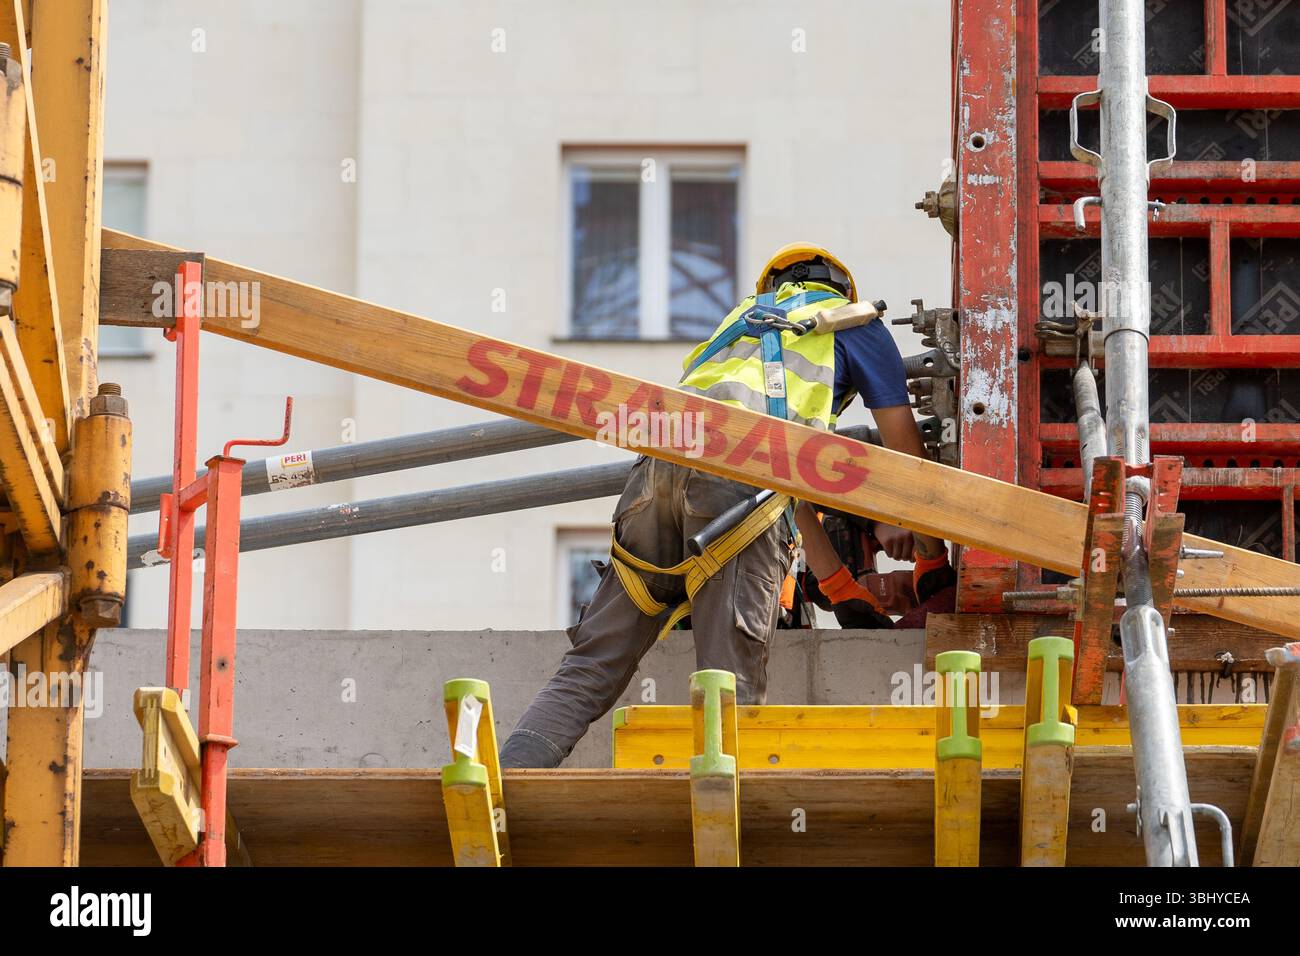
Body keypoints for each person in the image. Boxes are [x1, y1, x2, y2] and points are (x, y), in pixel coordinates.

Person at [499, 243, 954, 768]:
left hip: (653, 479)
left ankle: (511, 781)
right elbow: (906, 459)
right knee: (727, 683)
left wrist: (838, 586)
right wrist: (930, 557)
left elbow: (783, 484)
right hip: (740, 492)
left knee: (592, 663)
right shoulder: (852, 322)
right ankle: (715, 829)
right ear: (841, 286)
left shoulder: (732, 330)